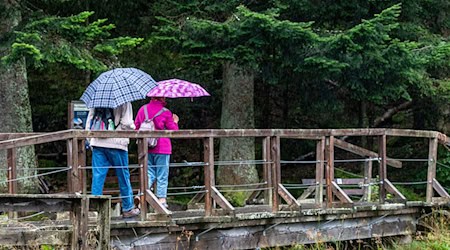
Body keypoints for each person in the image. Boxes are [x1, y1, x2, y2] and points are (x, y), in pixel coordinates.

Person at [85, 102, 140, 218]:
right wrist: (133, 128)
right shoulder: (124, 101)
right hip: (117, 143)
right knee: (123, 176)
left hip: (98, 141)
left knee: (98, 176)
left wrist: (90, 140)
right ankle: (127, 208)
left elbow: (90, 121)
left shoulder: (97, 100)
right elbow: (126, 123)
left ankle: (95, 209)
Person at [134, 97, 179, 208]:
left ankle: (141, 195)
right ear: (162, 97)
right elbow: (173, 130)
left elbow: (136, 127)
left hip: (146, 147)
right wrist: (175, 121)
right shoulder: (166, 112)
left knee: (148, 173)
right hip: (163, 147)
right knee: (162, 174)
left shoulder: (142, 109)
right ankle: (161, 199)